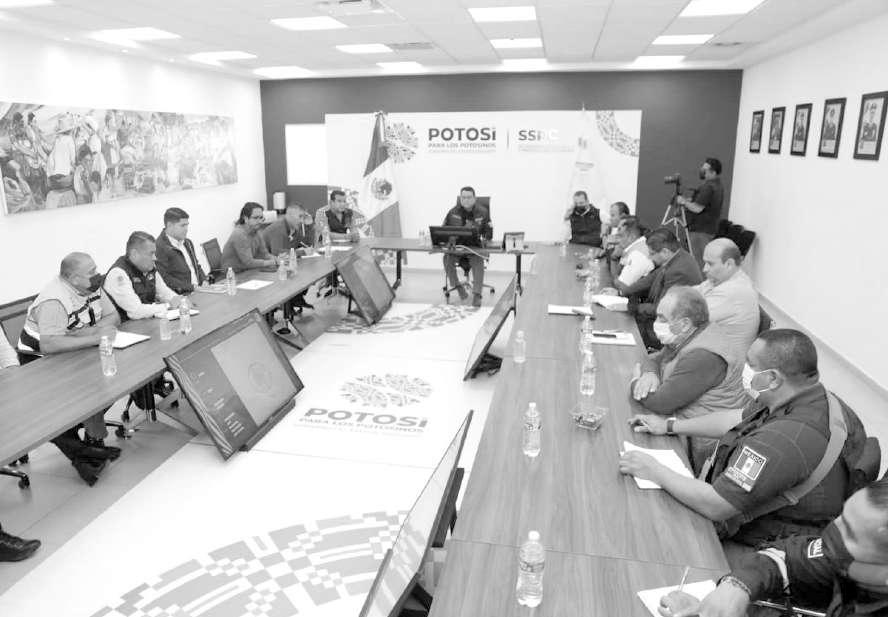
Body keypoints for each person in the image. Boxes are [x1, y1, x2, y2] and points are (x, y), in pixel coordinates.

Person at [620, 329, 868, 547]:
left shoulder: (780, 441)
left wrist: (654, 470)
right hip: (771, 516)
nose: (744, 369)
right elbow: (737, 418)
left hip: (763, 544)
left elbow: (716, 505)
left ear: (773, 378)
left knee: (644, 531)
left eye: (751, 364)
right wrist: (670, 426)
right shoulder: (808, 397)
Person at [658, 478, 888, 617]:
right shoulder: (848, 559)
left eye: (850, 533)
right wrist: (736, 587)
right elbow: (789, 558)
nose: (834, 530)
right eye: (842, 516)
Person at [17, 252, 123, 485]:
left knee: (113, 381)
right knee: (71, 402)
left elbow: (113, 317)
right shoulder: (54, 301)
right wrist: (95, 337)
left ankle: (91, 442)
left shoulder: (91, 287)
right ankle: (83, 453)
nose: (97, 275)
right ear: (74, 279)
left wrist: (85, 333)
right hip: (38, 360)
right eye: (91, 272)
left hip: (73, 350)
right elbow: (49, 344)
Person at [631, 286, 747, 472]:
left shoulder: (703, 355)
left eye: (662, 318)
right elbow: (654, 359)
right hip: (680, 424)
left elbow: (660, 403)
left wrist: (635, 381)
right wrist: (649, 374)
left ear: (684, 324)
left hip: (702, 445)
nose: (656, 323)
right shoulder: (689, 335)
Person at [629, 227, 703, 349]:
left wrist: (635, 307)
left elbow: (660, 308)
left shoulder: (678, 270)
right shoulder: (677, 257)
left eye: (652, 254)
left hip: (669, 328)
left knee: (627, 327)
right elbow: (651, 279)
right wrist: (623, 291)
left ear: (665, 252)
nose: (650, 258)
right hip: (660, 318)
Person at [694, 238, 759, 363]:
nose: (704, 269)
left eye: (710, 264)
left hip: (724, 365)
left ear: (729, 264)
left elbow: (691, 319)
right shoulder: (720, 279)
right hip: (711, 353)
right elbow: (689, 294)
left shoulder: (733, 290)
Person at [104, 231, 182, 321]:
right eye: (151, 253)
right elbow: (136, 312)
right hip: (127, 327)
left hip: (147, 322)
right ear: (135, 254)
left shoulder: (149, 268)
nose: (155, 258)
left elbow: (164, 293)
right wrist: (168, 305)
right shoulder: (118, 274)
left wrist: (180, 301)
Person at [442, 186, 493, 307]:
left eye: (469, 197)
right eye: (463, 197)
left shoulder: (483, 212)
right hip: (457, 249)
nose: (466, 200)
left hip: (474, 248)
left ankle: (477, 295)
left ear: (475, 198)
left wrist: (485, 238)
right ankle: (458, 287)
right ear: (460, 199)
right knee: (447, 259)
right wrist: (448, 240)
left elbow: (489, 234)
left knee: (478, 260)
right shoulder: (452, 212)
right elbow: (443, 230)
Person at [264, 202, 315, 309]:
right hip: (267, 266)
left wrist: (309, 226)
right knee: (297, 272)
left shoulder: (295, 228)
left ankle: (296, 299)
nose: (302, 220)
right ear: (289, 216)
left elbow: (307, 245)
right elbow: (278, 253)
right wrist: (301, 252)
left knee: (309, 270)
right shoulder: (278, 228)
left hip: (283, 263)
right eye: (300, 217)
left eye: (303, 217)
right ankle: (287, 304)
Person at [676, 158, 725, 269]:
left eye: (705, 169)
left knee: (699, 262)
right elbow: (704, 203)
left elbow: (697, 208)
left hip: (700, 231)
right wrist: (689, 201)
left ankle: (700, 280)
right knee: (700, 260)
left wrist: (683, 202)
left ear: (713, 172)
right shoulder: (717, 185)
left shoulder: (709, 187)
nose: (702, 171)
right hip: (707, 229)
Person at [155, 207, 207, 294]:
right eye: (182, 225)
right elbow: (165, 278)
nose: (186, 229)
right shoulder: (159, 247)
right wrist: (192, 288)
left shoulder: (188, 242)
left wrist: (204, 280)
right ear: (169, 225)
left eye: (187, 225)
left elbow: (196, 266)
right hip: (183, 295)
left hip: (199, 290)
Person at [221, 202, 277, 272]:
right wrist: (271, 262)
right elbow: (249, 262)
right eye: (255, 218)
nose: (260, 221)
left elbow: (264, 254)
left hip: (246, 271)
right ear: (246, 219)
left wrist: (278, 259)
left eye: (261, 218)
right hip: (232, 274)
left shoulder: (257, 231)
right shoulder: (239, 234)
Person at [609, 215, 654, 293]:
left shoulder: (638, 254)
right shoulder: (633, 247)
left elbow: (620, 287)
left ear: (632, 237)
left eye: (621, 235)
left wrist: (613, 259)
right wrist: (614, 257)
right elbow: (618, 274)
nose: (617, 239)